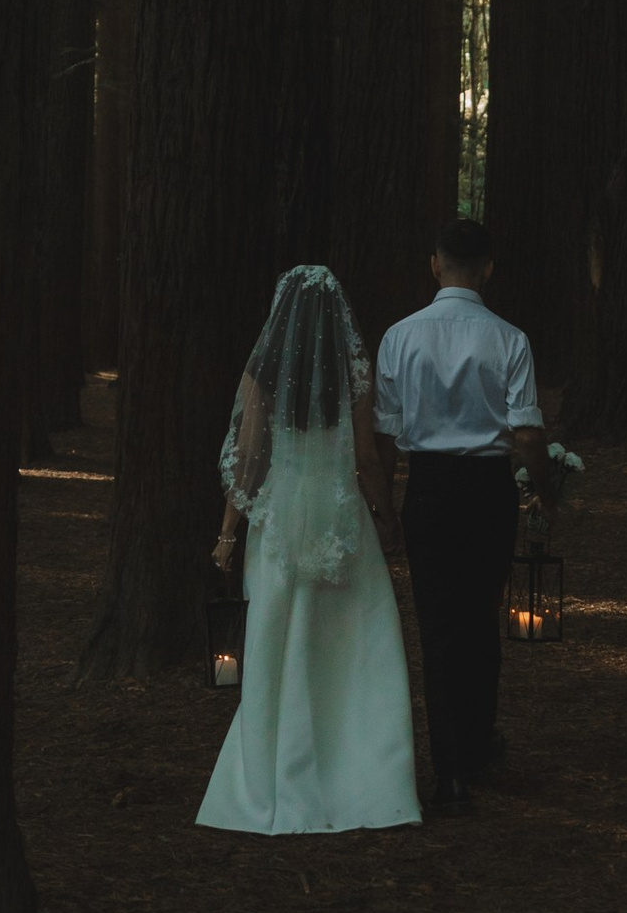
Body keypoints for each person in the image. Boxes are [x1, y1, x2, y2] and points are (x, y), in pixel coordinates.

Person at [197, 264, 420, 837]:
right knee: (352, 646)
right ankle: (366, 773)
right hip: (341, 517)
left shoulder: (263, 374)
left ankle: (277, 770)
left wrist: (227, 532)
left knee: (279, 640)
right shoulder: (355, 372)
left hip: (279, 519)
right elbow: (368, 461)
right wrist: (386, 516)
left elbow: (247, 461)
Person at [371, 216, 545, 814]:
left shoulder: (399, 336)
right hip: (488, 490)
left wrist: (388, 511)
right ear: (489, 268)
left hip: (429, 490)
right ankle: (473, 744)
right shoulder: (510, 339)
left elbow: (387, 437)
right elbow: (525, 431)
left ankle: (451, 769)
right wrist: (541, 487)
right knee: (480, 617)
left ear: (436, 264)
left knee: (440, 627)